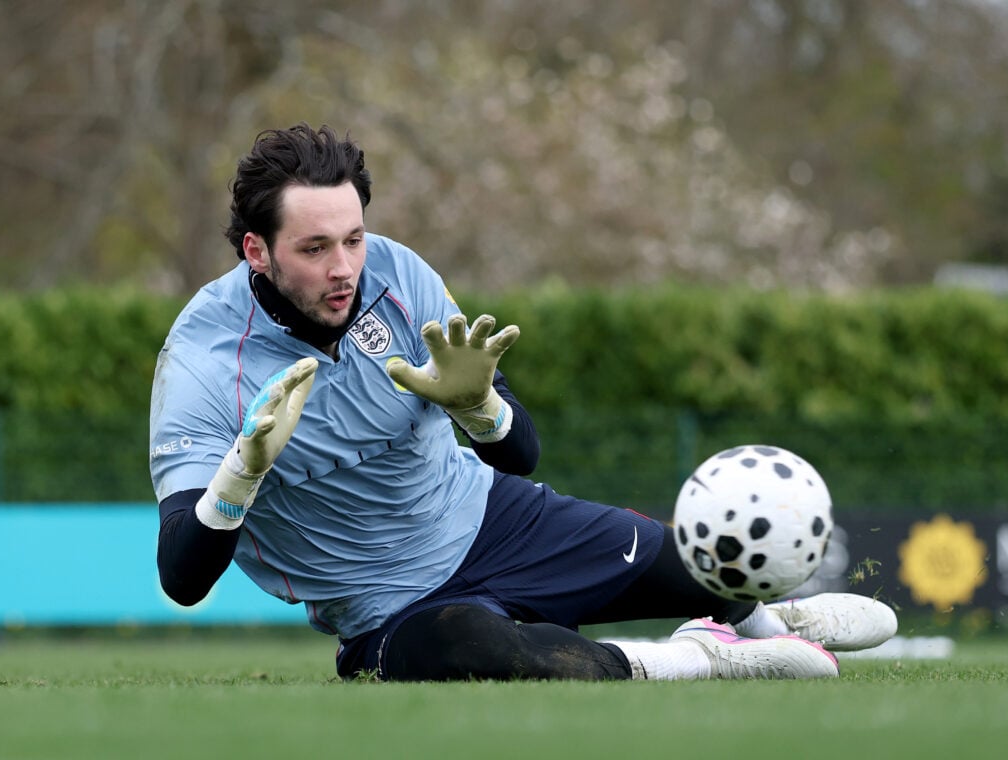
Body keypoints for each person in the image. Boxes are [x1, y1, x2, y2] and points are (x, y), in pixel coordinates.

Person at [150, 123, 897, 682]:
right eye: (315, 249)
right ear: (256, 251)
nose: (344, 268)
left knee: (701, 568)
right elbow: (182, 579)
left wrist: (480, 409)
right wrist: (240, 473)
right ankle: (710, 660)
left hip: (497, 522)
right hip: (389, 609)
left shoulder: (400, 276)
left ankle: (770, 623)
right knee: (476, 652)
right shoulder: (203, 363)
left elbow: (521, 454)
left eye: (354, 239)